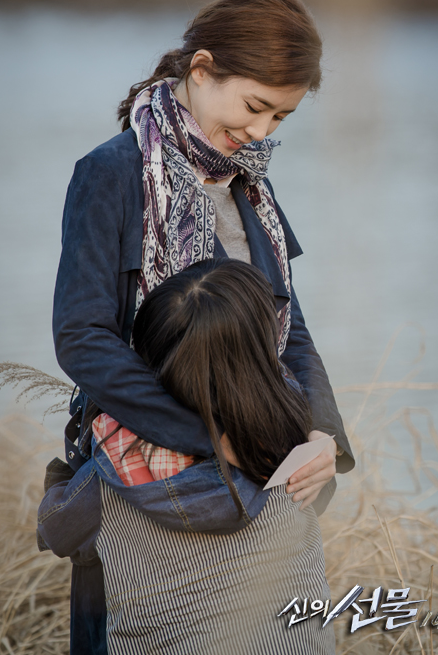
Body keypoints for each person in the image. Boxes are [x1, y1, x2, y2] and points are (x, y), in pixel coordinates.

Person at [50, 0, 355, 653]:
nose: (260, 134)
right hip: (145, 478)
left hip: (258, 473)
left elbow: (287, 323)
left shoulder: (249, 179)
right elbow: (82, 337)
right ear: (201, 68)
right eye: (254, 107)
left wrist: (322, 437)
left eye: (281, 118)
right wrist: (207, 437)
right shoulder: (112, 173)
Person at [39, 258, 337, 654]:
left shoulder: (111, 473)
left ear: (148, 359)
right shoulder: (297, 443)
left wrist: (64, 478)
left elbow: (55, 531)